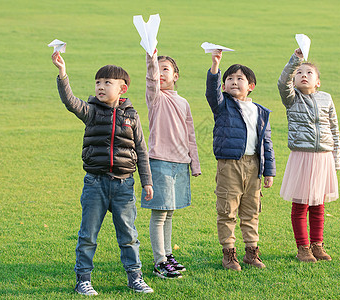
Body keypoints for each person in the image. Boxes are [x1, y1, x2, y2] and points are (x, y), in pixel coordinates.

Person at [51, 52, 154, 294]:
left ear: (122, 88)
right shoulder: (91, 112)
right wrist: (62, 73)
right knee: (88, 235)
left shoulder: (132, 115)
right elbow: (70, 101)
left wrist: (146, 182)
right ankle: (83, 280)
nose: (101, 87)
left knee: (129, 235)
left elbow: (141, 150)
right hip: (95, 184)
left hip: (124, 185)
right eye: (98, 82)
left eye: (107, 83)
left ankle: (135, 277)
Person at [205, 49, 276, 271]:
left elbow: (267, 143)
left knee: (252, 209)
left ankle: (251, 252)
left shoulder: (260, 112)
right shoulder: (223, 105)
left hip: (254, 165)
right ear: (224, 86)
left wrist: (269, 171)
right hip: (229, 165)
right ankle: (229, 253)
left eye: (240, 79)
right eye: (229, 79)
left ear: (251, 86)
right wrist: (215, 67)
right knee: (227, 209)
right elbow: (211, 92)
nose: (234, 82)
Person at [141, 49, 201, 279]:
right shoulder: (155, 97)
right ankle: (159, 262)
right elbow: (150, 78)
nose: (160, 73)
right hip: (160, 162)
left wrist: (194, 164)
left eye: (165, 69)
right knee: (159, 214)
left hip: (180, 164)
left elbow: (191, 135)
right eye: (157, 69)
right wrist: (151, 58)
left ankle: (167, 254)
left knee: (170, 213)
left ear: (176, 75)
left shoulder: (183, 102)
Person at [277, 48, 340, 263]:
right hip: (302, 157)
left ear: (318, 81)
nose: (304, 75)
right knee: (300, 205)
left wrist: (335, 160)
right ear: (294, 80)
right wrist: (296, 59)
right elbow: (282, 82)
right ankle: (302, 247)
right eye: (299, 73)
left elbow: (334, 129)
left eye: (309, 73)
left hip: (323, 158)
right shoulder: (292, 99)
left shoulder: (326, 99)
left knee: (318, 205)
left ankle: (317, 245)